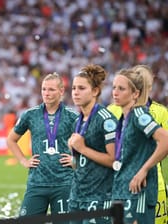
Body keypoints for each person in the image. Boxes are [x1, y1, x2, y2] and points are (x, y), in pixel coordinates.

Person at [6, 72, 78, 219]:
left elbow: (87, 143)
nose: (47, 93)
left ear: (61, 91)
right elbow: (11, 140)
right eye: (44, 89)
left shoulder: (72, 116)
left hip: (64, 183)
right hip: (37, 183)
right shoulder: (30, 115)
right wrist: (24, 161)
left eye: (51, 89)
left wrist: (75, 160)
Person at [108, 65, 168, 224]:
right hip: (121, 190)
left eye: (121, 89)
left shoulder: (139, 114)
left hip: (138, 192)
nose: (115, 92)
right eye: (114, 87)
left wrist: (144, 170)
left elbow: (165, 141)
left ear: (135, 94)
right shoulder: (123, 117)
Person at [68, 64, 118, 224]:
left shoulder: (106, 119)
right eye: (74, 87)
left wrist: (82, 148)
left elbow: (114, 161)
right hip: (76, 196)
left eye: (81, 88)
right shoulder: (77, 121)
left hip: (99, 198)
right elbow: (79, 162)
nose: (75, 92)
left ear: (95, 91)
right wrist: (73, 159)